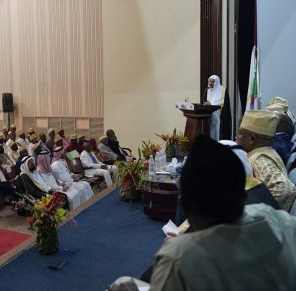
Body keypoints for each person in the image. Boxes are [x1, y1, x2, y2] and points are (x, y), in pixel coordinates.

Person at [112, 135, 296, 291]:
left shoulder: (179, 257)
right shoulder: (279, 219)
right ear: (242, 190)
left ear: (183, 204)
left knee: (122, 282)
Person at [236, 110, 296, 211]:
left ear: (251, 139)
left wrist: (258, 213)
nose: (236, 137)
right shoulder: (265, 152)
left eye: (239, 133)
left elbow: (282, 190)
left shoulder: (260, 159)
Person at [203, 75, 224, 140]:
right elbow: (204, 100)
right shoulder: (207, 90)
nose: (210, 83)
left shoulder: (222, 90)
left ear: (217, 82)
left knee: (216, 132)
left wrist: (211, 104)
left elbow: (222, 103)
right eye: (209, 81)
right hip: (209, 114)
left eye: (212, 81)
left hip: (218, 115)